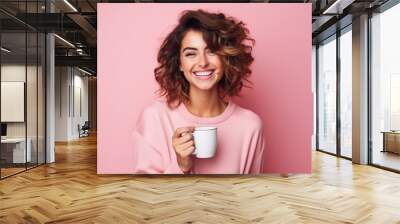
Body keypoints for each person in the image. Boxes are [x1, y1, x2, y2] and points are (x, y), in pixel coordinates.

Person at [132, 9, 265, 174]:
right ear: (179, 63)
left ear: (226, 58)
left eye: (212, 51)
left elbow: (251, 193)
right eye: (190, 54)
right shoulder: (155, 117)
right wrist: (181, 166)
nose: (202, 62)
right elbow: (144, 195)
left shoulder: (250, 125)